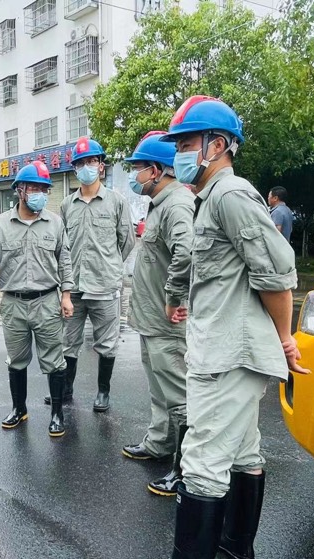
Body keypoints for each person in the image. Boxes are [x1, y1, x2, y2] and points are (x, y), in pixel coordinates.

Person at [134, 96, 308, 559]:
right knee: (243, 448)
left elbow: (277, 274)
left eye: (186, 144)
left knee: (203, 456)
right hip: (229, 346)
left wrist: (284, 339)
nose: (179, 155)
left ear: (217, 146)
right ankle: (236, 542)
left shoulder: (230, 196)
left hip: (229, 352)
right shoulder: (209, 198)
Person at [0, 161, 74, 437]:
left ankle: (57, 414)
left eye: (44, 188)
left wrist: (66, 295)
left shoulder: (55, 223)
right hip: (13, 304)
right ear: (20, 190)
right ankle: (19, 409)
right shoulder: (0, 225)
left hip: (47, 301)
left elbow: (65, 260)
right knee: (17, 360)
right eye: (34, 187)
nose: (40, 194)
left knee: (54, 361)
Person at [120, 132, 195, 497]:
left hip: (168, 320)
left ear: (155, 170)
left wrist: (174, 297)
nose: (134, 176)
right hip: (152, 319)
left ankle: (182, 469)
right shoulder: (159, 204)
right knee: (159, 388)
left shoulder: (177, 204)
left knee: (178, 394)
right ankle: (159, 443)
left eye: (137, 169)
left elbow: (188, 252)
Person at [44, 137, 134, 413]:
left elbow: (126, 241)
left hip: (105, 286)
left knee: (106, 344)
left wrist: (108, 265)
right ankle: (67, 390)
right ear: (74, 169)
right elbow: (62, 245)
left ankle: (103, 392)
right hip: (73, 289)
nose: (86, 167)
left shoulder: (116, 202)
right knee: (68, 342)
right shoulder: (67, 206)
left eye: (91, 161)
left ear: (101, 166)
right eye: (80, 163)